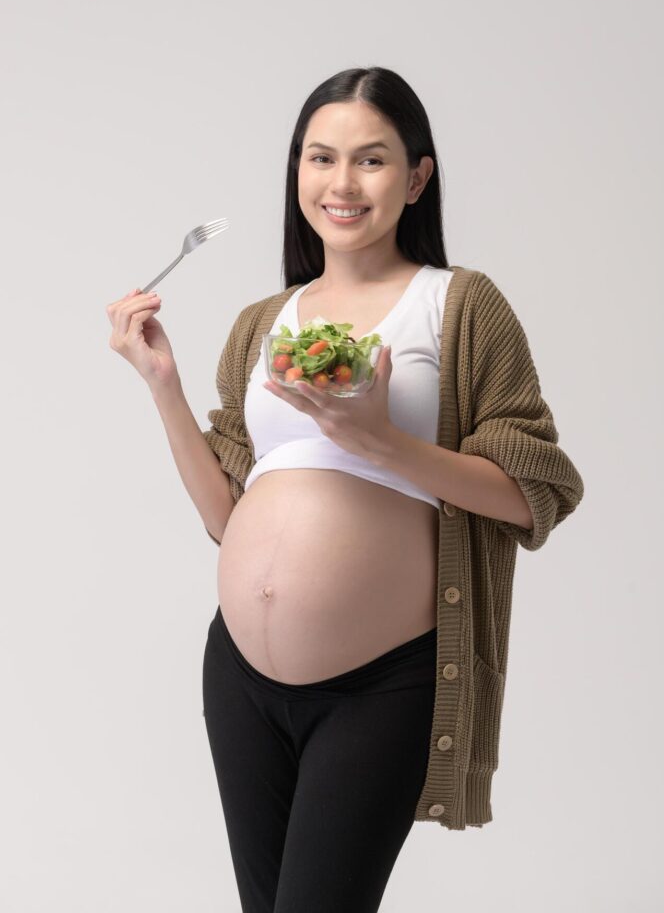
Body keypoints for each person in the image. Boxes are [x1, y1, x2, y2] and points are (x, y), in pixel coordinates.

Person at [106, 66, 584, 913]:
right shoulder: (266, 322)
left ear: (417, 177)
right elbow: (227, 516)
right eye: (320, 158)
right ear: (296, 172)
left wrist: (378, 440)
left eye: (370, 160)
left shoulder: (459, 307)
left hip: (382, 683)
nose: (341, 183)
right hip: (240, 677)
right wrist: (162, 385)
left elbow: (534, 490)